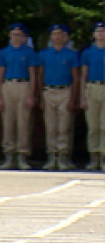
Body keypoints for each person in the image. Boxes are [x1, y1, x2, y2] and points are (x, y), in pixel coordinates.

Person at [0, 23, 39, 170]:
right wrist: (0, 97)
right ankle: (9, 155)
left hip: (24, 85)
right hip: (8, 85)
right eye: (14, 34)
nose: (16, 37)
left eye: (19, 35)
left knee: (23, 123)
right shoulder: (4, 52)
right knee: (8, 122)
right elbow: (0, 75)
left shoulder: (29, 53)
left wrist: (31, 96)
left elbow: (33, 76)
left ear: (24, 37)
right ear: (10, 36)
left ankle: (22, 156)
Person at [38, 24, 79, 171]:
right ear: (50, 37)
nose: (57, 37)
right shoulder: (44, 54)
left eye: (60, 34)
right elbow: (40, 75)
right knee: (51, 126)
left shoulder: (71, 55)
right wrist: (40, 95)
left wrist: (74, 98)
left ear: (65, 37)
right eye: (54, 34)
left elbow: (75, 77)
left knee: (64, 126)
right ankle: (52, 156)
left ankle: (63, 156)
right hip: (49, 91)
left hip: (65, 91)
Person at [80, 22, 105, 171]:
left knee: (104, 126)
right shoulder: (88, 53)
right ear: (93, 35)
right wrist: (83, 96)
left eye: (103, 31)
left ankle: (103, 157)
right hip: (92, 87)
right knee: (93, 126)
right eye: (98, 31)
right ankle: (93, 157)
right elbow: (83, 75)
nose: (101, 34)